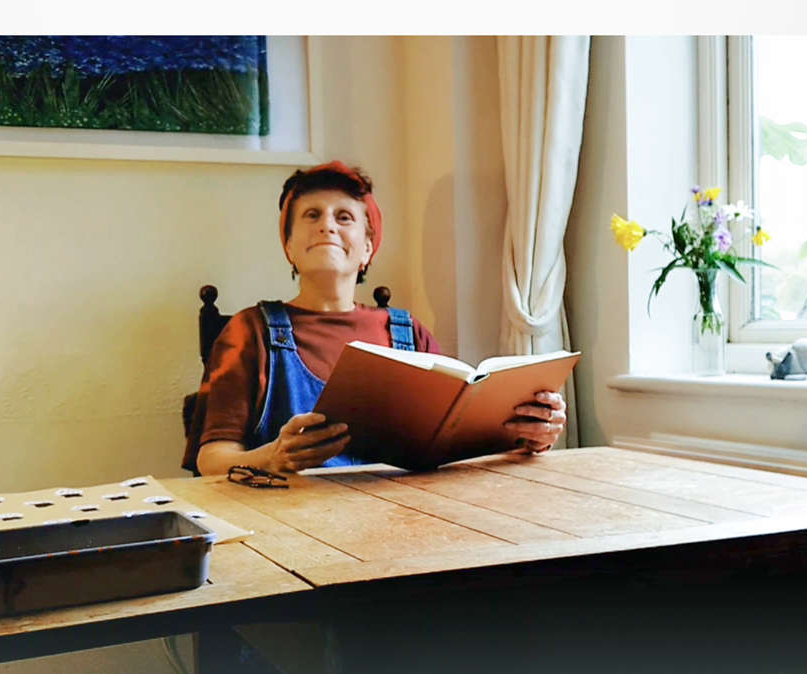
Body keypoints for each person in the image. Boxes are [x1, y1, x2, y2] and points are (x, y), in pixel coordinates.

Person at [193, 161, 566, 477]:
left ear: (368, 248)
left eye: (344, 217)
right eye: (311, 215)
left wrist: (530, 437)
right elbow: (210, 460)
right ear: (288, 246)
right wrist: (272, 457)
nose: (327, 226)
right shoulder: (248, 332)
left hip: (404, 521)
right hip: (291, 523)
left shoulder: (409, 333)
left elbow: (451, 444)